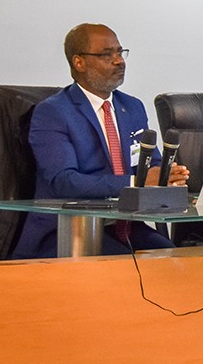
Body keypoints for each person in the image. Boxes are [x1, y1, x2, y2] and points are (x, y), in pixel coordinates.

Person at [12, 23, 189, 259]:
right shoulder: (53, 112)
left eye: (120, 52)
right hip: (66, 231)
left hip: (125, 227)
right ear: (79, 62)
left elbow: (150, 163)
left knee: (174, 261)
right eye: (107, 54)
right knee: (127, 269)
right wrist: (138, 181)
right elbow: (64, 182)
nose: (119, 61)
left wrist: (167, 175)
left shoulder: (132, 107)